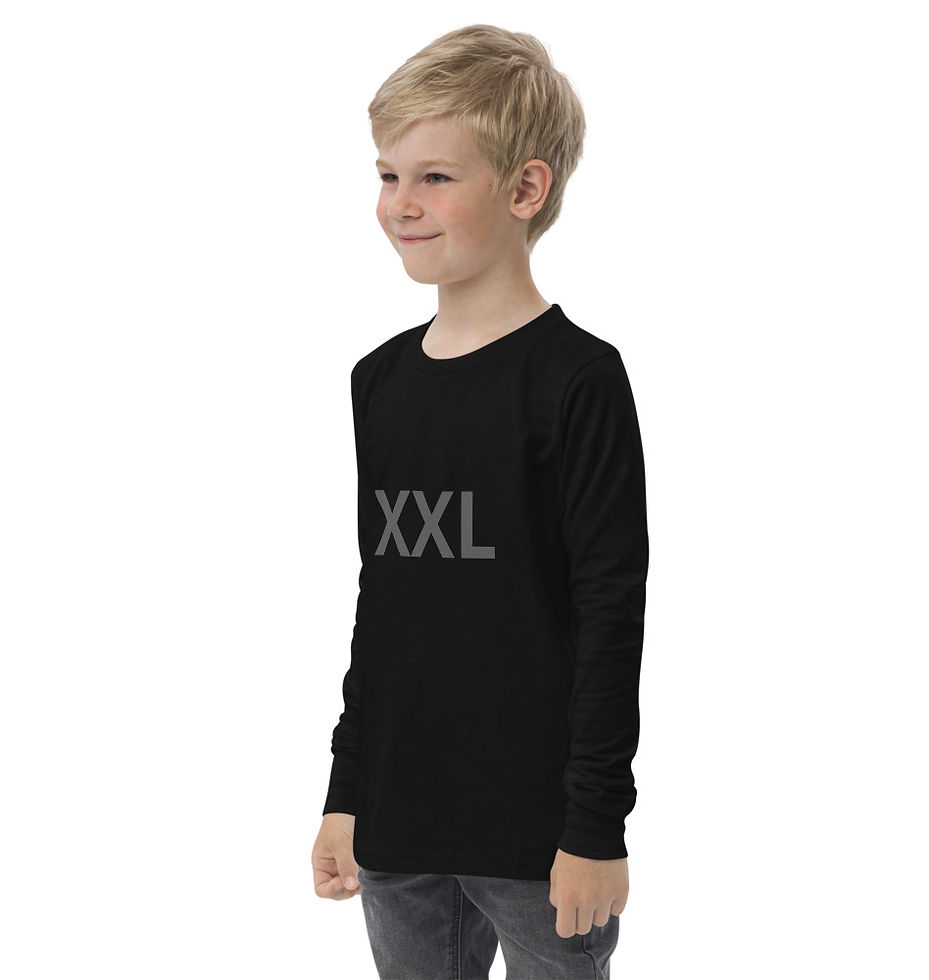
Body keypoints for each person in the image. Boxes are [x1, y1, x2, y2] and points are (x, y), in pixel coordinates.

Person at [311, 23, 648, 980]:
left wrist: (595, 827)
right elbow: (385, 604)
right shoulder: (378, 382)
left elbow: (609, 611)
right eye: (388, 174)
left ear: (525, 188)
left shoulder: (578, 382)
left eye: (435, 177)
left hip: (538, 838)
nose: (400, 204)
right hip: (397, 826)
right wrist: (346, 790)